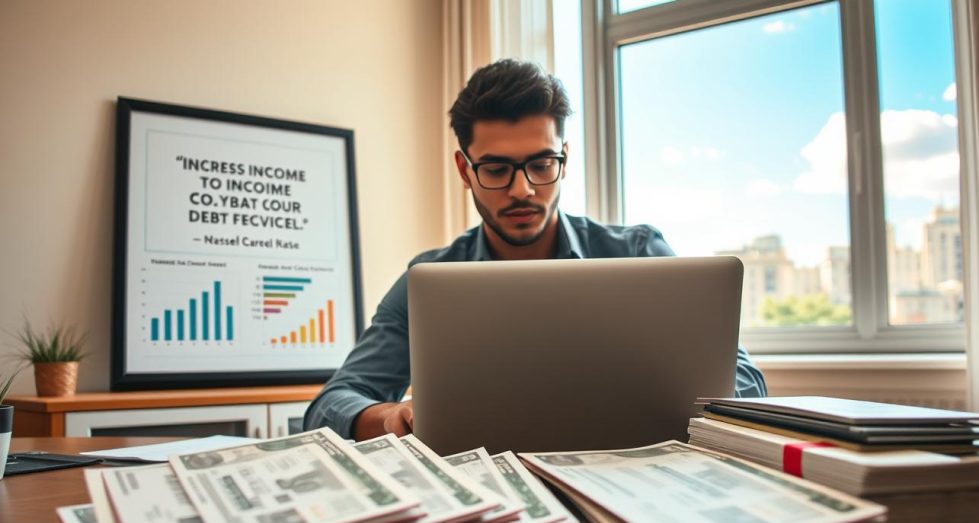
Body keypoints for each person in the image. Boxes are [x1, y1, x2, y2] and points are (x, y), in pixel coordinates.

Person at [304, 59, 767, 441]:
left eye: (541, 164)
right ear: (464, 170)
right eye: (497, 169)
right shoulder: (428, 279)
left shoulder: (640, 251)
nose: (522, 190)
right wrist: (388, 418)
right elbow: (331, 403)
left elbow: (745, 382)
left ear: (563, 159)